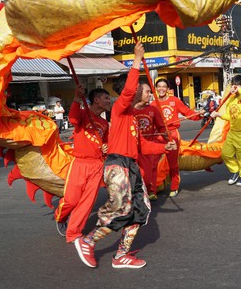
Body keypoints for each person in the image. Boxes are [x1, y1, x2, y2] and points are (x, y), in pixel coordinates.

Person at [73, 42, 177, 269]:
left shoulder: (133, 118)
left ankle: (121, 256)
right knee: (120, 208)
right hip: (117, 165)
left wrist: (164, 148)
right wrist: (137, 60)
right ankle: (87, 241)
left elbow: (143, 148)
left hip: (130, 165)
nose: (150, 93)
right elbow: (128, 90)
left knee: (141, 210)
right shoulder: (120, 108)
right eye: (146, 89)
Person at [55, 86, 110, 242]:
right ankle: (61, 216)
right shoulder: (83, 113)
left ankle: (73, 232)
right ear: (96, 100)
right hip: (80, 163)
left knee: (87, 203)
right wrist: (76, 98)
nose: (109, 101)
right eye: (106, 98)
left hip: (97, 165)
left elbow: (107, 142)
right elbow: (72, 119)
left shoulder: (104, 123)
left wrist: (106, 147)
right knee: (71, 200)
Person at [151, 79, 204, 197]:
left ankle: (174, 186)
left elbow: (187, 112)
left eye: (164, 86)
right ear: (156, 88)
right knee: (153, 163)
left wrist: (198, 114)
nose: (161, 89)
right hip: (158, 135)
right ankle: (152, 189)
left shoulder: (174, 101)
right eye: (159, 86)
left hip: (172, 134)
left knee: (172, 163)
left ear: (168, 89)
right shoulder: (153, 104)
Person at [210, 74, 241, 186]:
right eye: (233, 85)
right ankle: (235, 171)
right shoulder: (231, 100)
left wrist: (239, 90)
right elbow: (231, 117)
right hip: (233, 131)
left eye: (237, 85)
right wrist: (219, 114)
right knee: (226, 154)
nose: (234, 87)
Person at [133, 82, 166, 201]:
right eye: (147, 92)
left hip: (149, 146)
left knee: (149, 171)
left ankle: (151, 190)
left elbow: (161, 127)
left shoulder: (153, 109)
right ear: (138, 93)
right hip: (133, 148)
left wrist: (167, 138)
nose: (150, 94)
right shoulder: (129, 111)